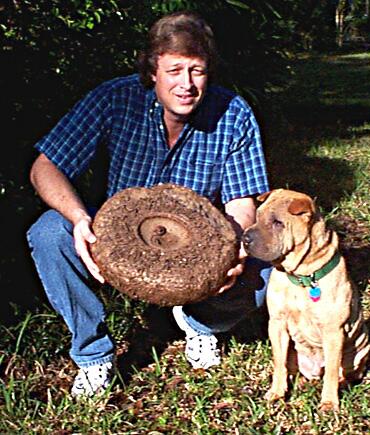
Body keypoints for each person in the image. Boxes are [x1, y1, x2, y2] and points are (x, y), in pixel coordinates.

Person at [27, 10, 272, 398]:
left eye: (197, 71)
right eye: (175, 71)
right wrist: (77, 219)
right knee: (46, 232)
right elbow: (45, 168)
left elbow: (241, 202)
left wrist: (235, 249)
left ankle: (200, 324)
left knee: (263, 266)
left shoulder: (234, 114)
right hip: (118, 243)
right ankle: (93, 355)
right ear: (152, 70)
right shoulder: (114, 99)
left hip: (199, 252)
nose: (186, 84)